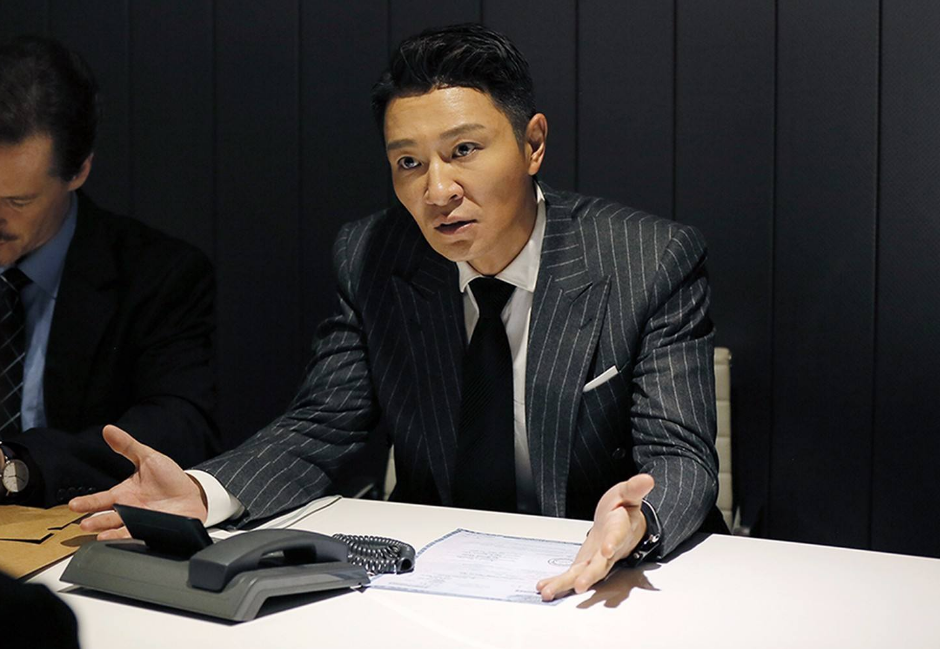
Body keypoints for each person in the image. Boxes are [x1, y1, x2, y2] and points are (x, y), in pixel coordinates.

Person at [71, 24, 723, 601]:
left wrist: (637, 520)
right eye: (409, 162)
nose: (437, 190)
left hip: (599, 574)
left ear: (533, 144)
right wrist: (204, 492)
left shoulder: (648, 260)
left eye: (463, 150)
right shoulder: (372, 257)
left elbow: (680, 455)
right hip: (438, 578)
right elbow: (322, 426)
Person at [0, 35, 219, 507]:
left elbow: (178, 427)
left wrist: (17, 466)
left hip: (68, 524)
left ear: (78, 171)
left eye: (17, 201)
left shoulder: (159, 275)